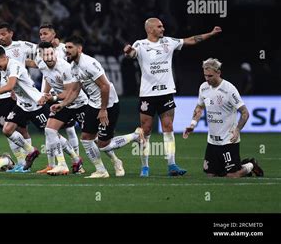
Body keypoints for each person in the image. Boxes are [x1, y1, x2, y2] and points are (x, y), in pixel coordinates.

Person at [123, 18, 222, 177]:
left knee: (168, 127)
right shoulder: (140, 44)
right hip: (148, 95)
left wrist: (210, 33)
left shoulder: (169, 42)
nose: (163, 29)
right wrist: (128, 52)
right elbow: (132, 54)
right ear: (150, 29)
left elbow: (190, 40)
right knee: (146, 131)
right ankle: (145, 167)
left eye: (163, 26)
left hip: (166, 93)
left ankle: (172, 165)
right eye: (159, 26)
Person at [54, 35, 143, 178]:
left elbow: (105, 86)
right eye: (66, 48)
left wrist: (103, 110)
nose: (67, 51)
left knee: (104, 145)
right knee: (86, 138)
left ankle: (136, 136)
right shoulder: (73, 67)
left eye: (70, 47)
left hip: (108, 105)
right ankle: (101, 170)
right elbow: (75, 90)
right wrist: (63, 104)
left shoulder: (89, 63)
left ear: (79, 49)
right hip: (93, 104)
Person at [183, 58, 263, 178]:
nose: (207, 79)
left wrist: (237, 130)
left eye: (210, 76)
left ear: (218, 72)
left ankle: (250, 165)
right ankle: (238, 166)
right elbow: (199, 108)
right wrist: (193, 124)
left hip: (228, 140)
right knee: (211, 175)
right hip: (212, 141)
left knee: (231, 175)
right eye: (205, 75)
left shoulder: (229, 89)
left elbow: (245, 113)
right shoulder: (203, 88)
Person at [0, 45, 44, 172]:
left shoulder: (14, 64)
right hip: (21, 104)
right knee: (7, 130)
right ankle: (30, 152)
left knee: (51, 131)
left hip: (36, 102)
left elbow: (10, 84)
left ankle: (70, 160)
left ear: (4, 57)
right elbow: (3, 80)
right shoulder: (2, 67)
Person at [0, 23, 37, 171]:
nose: (1, 37)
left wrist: (56, 45)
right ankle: (22, 161)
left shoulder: (21, 46)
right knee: (5, 126)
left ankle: (26, 161)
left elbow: (42, 49)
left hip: (21, 93)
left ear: (11, 34)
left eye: (3, 34)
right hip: (5, 93)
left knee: (21, 128)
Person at [35, 41, 86, 175]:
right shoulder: (41, 65)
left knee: (97, 140)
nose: (49, 57)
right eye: (46, 55)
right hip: (63, 104)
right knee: (50, 130)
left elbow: (69, 92)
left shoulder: (65, 67)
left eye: (51, 53)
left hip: (78, 103)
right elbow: (47, 79)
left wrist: (52, 98)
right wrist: (44, 95)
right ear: (41, 56)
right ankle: (65, 163)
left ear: (55, 53)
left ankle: (119, 156)